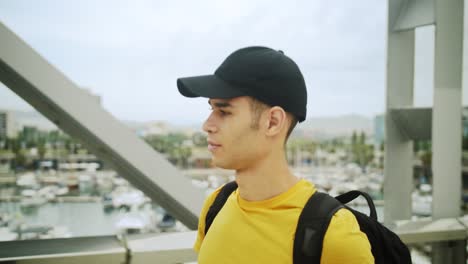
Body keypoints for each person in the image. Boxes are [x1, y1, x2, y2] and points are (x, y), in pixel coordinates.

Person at [177, 46, 374, 263]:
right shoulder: (216, 205)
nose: (207, 125)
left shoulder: (335, 237)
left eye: (224, 111)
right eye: (211, 110)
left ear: (272, 122)